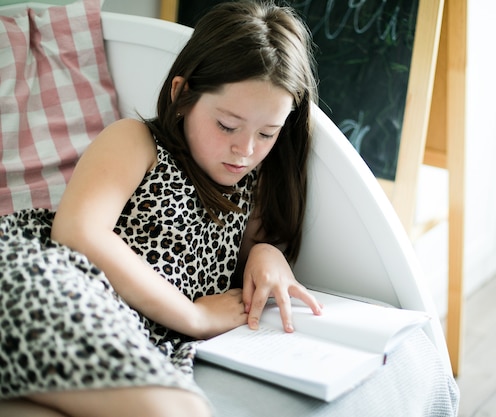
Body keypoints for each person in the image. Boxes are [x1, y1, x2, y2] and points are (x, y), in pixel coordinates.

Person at [0, 1, 322, 416]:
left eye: (267, 133)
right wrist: (192, 316)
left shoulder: (251, 186)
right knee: (175, 411)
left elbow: (250, 257)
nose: (245, 150)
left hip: (126, 330)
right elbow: (77, 232)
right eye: (227, 125)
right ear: (182, 94)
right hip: (49, 280)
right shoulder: (136, 141)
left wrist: (266, 254)